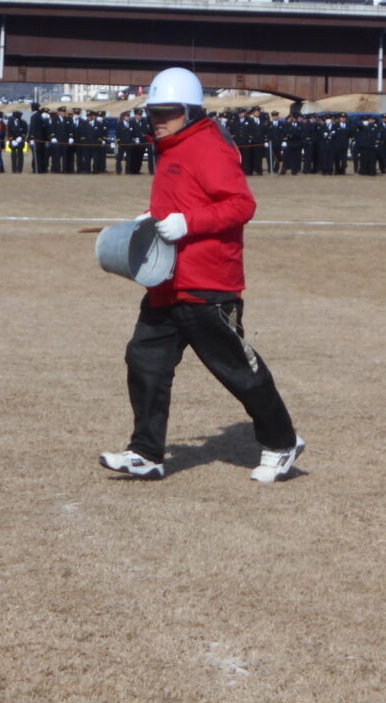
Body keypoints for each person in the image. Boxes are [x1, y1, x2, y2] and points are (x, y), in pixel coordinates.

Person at [99, 67, 304, 483]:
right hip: (166, 280)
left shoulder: (208, 147)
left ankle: (282, 442)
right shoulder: (171, 146)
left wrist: (188, 223)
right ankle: (146, 452)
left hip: (208, 282)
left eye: (168, 112)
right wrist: (152, 217)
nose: (158, 119)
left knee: (235, 369)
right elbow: (182, 198)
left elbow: (241, 205)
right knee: (145, 360)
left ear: (190, 111)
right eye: (154, 112)